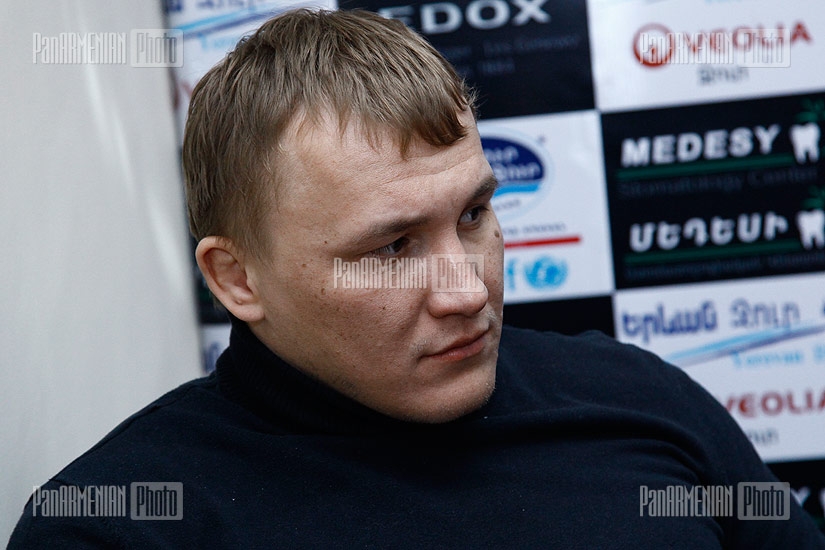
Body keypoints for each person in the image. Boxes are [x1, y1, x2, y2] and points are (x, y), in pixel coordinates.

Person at [9, 8, 825, 548]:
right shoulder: (116, 523)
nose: (467, 291)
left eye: (472, 215)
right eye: (391, 249)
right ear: (236, 278)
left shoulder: (639, 397)